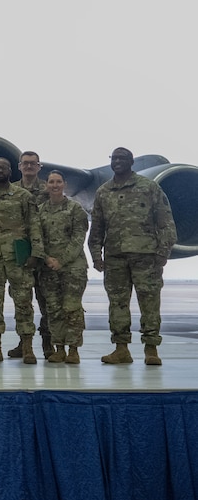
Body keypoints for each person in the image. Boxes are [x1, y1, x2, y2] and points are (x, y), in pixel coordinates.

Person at [89, 146, 177, 365]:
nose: (117, 161)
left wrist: (162, 253)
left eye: (122, 158)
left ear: (131, 161)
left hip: (146, 256)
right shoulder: (103, 192)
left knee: (149, 303)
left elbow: (166, 222)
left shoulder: (149, 187)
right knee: (117, 304)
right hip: (115, 257)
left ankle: (151, 350)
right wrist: (96, 256)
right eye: (114, 158)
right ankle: (121, 349)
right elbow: (97, 227)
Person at [0, 157, 43, 364]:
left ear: (11, 171)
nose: (1, 170)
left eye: (4, 167)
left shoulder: (23, 196)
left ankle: (28, 347)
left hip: (18, 259)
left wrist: (36, 253)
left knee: (23, 303)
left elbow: (34, 225)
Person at [36, 170, 89, 364]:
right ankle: (59, 347)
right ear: (47, 185)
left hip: (73, 268)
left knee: (72, 308)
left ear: (64, 184)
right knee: (53, 309)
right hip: (48, 268)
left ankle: (74, 349)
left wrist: (62, 260)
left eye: (58, 182)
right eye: (51, 182)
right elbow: (36, 238)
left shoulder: (76, 209)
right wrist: (47, 258)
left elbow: (78, 239)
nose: (55, 185)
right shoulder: (40, 211)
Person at [13, 150, 54, 359]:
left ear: (39, 167)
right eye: (25, 163)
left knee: (46, 301)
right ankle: (24, 342)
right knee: (22, 301)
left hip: (45, 254)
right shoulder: (12, 191)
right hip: (21, 255)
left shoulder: (48, 190)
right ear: (19, 166)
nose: (29, 167)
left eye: (33, 163)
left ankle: (48, 343)